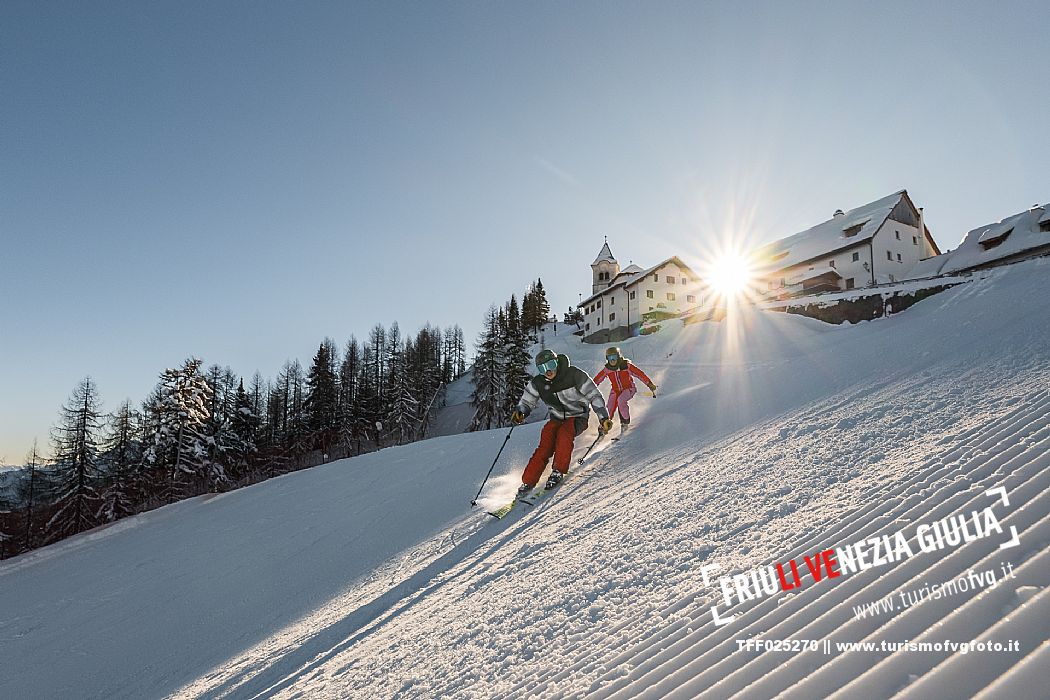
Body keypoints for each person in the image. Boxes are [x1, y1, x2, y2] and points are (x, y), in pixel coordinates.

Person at [510, 348, 613, 496]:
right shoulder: (538, 383)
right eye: (543, 368)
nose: (548, 371)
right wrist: (521, 411)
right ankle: (528, 481)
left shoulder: (573, 375)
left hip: (578, 417)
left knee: (565, 434)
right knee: (546, 438)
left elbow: (594, 395)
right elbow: (527, 400)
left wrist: (603, 417)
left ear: (556, 362)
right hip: (557, 417)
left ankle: (558, 471)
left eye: (551, 365)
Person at [592, 346, 657, 434]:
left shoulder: (626, 366)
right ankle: (605, 426)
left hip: (629, 389)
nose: (612, 360)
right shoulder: (607, 369)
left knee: (621, 401)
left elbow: (639, 374)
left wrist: (649, 383)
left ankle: (625, 423)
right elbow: (597, 380)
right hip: (615, 390)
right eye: (610, 358)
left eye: (614, 357)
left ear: (618, 356)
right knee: (609, 408)